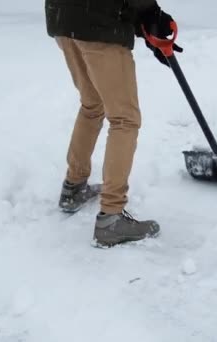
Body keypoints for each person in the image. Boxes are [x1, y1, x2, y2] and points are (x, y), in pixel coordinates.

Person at [45, 0, 182, 247]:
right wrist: (149, 11)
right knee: (124, 119)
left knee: (92, 105)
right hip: (97, 22)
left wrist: (142, 21)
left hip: (65, 18)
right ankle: (111, 217)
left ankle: (73, 188)